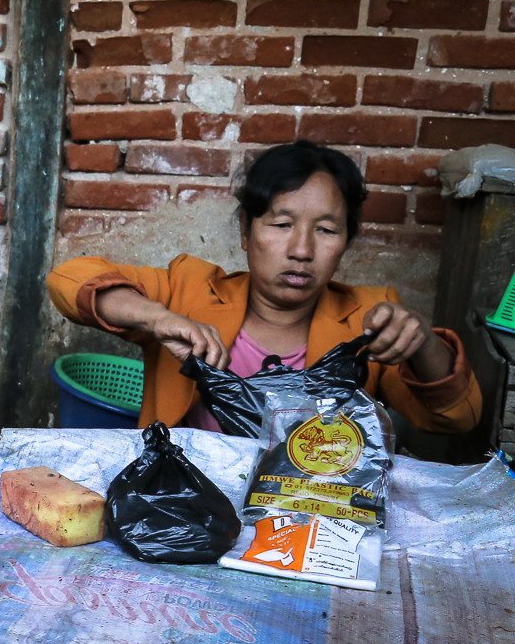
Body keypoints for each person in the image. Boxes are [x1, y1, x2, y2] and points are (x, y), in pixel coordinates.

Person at [48, 140, 481, 434]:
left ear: (346, 242)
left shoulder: (368, 318)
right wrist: (157, 317)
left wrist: (420, 339)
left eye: (327, 230)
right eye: (281, 224)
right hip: (184, 510)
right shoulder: (189, 290)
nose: (301, 249)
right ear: (245, 230)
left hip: (306, 513)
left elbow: (459, 419)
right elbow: (68, 281)